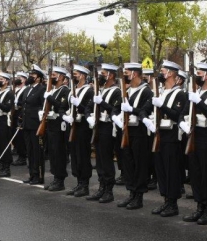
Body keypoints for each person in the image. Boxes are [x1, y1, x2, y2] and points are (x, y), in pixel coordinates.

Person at [181, 62, 207, 225]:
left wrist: (199, 102)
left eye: (200, 73)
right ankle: (199, 206)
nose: (197, 76)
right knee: (196, 173)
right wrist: (182, 124)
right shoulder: (195, 92)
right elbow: (183, 113)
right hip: (193, 136)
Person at [147, 61, 187, 217]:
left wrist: (162, 106)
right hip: (159, 135)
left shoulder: (180, 94)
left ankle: (173, 203)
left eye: (163, 71)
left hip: (171, 137)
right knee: (161, 170)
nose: (160, 74)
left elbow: (177, 115)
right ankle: (165, 200)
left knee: (171, 170)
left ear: (171, 73)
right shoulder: (162, 92)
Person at [114, 62, 153, 210]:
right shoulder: (127, 90)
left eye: (127, 72)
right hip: (127, 130)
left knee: (139, 163)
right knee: (128, 163)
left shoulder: (146, 92)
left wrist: (132, 109)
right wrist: (116, 116)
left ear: (135, 73)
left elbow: (145, 111)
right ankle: (131, 192)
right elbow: (116, 108)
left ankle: (139, 196)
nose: (124, 75)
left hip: (140, 132)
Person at [86, 63, 122, 203]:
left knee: (106, 159)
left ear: (111, 75)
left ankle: (109, 190)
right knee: (99, 159)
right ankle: (101, 186)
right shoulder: (100, 91)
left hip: (108, 127)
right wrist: (89, 116)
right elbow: (89, 107)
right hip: (98, 126)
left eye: (103, 74)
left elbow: (115, 110)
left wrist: (102, 103)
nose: (101, 76)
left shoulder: (116, 91)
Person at [64, 65, 94, 197]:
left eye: (75, 74)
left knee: (82, 155)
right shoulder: (72, 90)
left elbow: (88, 109)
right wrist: (65, 114)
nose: (73, 76)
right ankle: (78, 182)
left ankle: (84, 184)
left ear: (82, 75)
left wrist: (78, 105)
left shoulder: (89, 91)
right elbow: (64, 106)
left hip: (82, 127)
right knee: (74, 155)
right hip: (72, 125)